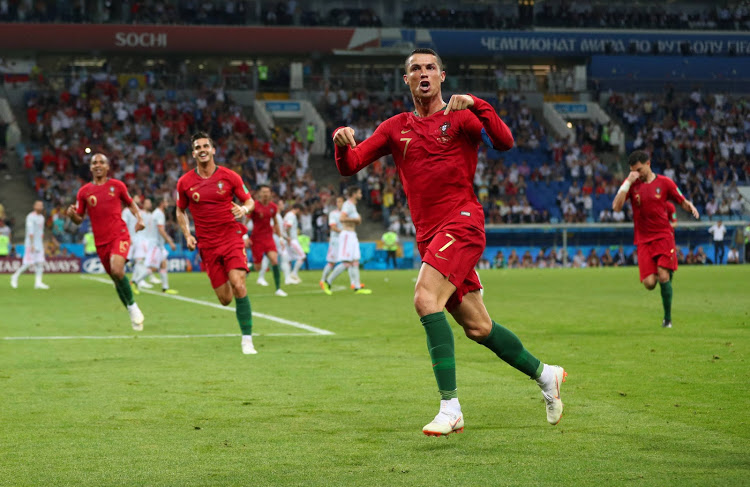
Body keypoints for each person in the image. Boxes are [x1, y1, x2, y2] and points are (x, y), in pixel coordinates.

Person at [332, 48, 565, 436]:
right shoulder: (395, 127)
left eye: (429, 68)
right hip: (430, 237)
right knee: (478, 327)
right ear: (406, 81)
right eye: (415, 69)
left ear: (442, 75)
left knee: (425, 298)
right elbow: (350, 166)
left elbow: (505, 141)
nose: (423, 73)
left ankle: (450, 407)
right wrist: (340, 144)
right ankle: (546, 375)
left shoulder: (460, 116)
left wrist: (477, 103)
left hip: (463, 222)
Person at [176, 132, 258, 354]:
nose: (202, 149)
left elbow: (249, 200)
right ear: (193, 153)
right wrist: (187, 235)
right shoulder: (185, 182)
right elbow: (180, 209)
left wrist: (243, 209)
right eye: (197, 147)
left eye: (205, 145)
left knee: (239, 284)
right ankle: (234, 279)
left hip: (231, 237)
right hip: (207, 245)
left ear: (213, 150)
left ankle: (247, 339)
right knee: (224, 299)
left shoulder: (230, 177)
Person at [612, 150, 699, 329]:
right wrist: (628, 181)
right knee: (649, 283)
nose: (636, 173)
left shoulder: (665, 182)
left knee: (663, 275)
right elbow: (616, 207)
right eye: (632, 170)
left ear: (648, 164)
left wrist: (689, 206)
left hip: (663, 236)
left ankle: (667, 319)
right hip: (643, 240)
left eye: (638, 169)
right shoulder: (632, 184)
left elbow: (680, 199)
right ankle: (666, 273)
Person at [66, 153, 145, 330]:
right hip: (100, 242)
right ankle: (132, 311)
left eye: (102, 162)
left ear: (108, 167)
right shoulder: (84, 192)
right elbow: (79, 218)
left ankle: (132, 306)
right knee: (116, 278)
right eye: (94, 163)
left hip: (120, 234)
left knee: (117, 269)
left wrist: (139, 218)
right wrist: (72, 216)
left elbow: (131, 203)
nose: (98, 165)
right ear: (90, 167)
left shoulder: (117, 186)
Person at [321, 186, 371, 295]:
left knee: (355, 261)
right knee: (347, 263)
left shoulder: (352, 206)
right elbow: (342, 218)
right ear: (354, 194)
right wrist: (355, 219)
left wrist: (357, 220)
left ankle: (357, 287)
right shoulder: (347, 205)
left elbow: (356, 220)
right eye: (359, 193)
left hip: (352, 234)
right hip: (347, 235)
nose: (361, 195)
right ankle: (327, 282)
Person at [248, 184, 287, 296]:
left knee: (274, 261)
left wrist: (280, 238)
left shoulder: (273, 207)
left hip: (268, 238)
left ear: (270, 194)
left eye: (267, 192)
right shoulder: (254, 206)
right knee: (257, 267)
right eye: (263, 192)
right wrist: (245, 236)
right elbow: (245, 222)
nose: (265, 194)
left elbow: (275, 223)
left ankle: (278, 289)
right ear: (259, 193)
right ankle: (244, 269)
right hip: (256, 239)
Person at [11, 200, 49, 289]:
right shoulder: (30, 217)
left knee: (40, 263)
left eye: (42, 205)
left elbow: (41, 232)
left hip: (39, 244)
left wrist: (42, 243)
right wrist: (32, 244)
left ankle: (38, 283)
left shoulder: (42, 218)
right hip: (30, 244)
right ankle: (15, 276)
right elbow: (30, 232)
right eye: (39, 205)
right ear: (34, 206)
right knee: (28, 264)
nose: (41, 207)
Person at [146, 197, 178, 294]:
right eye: (166, 201)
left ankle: (165, 288)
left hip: (157, 244)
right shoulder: (159, 214)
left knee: (163, 264)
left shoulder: (155, 213)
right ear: (161, 203)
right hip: (155, 244)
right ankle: (134, 281)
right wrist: (170, 241)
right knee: (153, 267)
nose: (167, 203)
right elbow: (161, 230)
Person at [320, 195, 343, 288]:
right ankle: (323, 280)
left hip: (344, 240)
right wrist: (345, 232)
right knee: (332, 262)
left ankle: (355, 283)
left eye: (340, 201)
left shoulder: (347, 215)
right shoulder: (333, 214)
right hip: (336, 240)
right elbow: (333, 227)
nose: (339, 203)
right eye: (337, 202)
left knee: (348, 262)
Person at [282, 203, 306, 284]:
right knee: (302, 256)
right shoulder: (292, 215)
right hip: (292, 240)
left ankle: (288, 277)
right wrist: (288, 237)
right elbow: (288, 226)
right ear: (298, 209)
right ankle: (294, 273)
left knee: (288, 259)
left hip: (287, 239)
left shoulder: (287, 215)